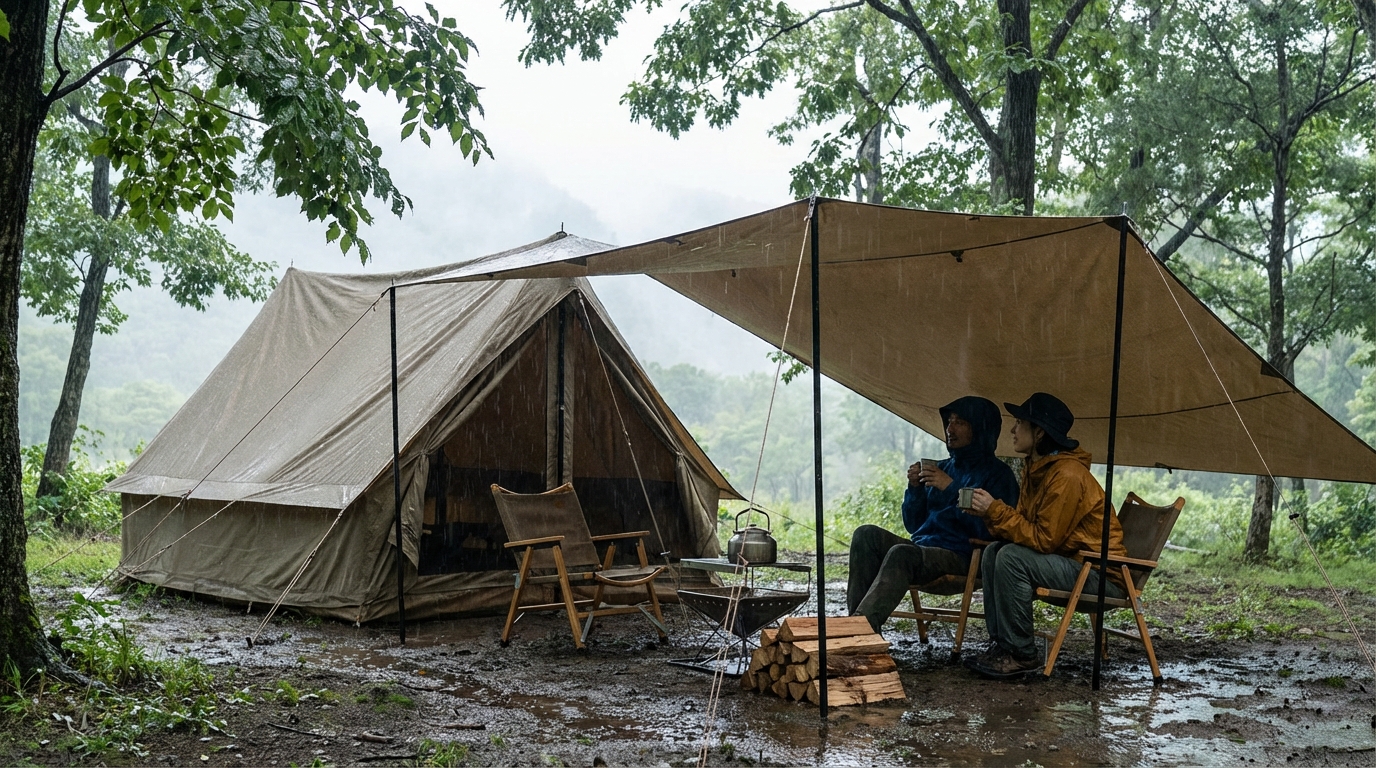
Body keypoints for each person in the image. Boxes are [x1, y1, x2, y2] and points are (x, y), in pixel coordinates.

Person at [964, 392, 1129, 679]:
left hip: (1100, 576)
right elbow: (1028, 528)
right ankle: (1002, 646)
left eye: (1019, 423)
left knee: (1012, 558)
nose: (1013, 430)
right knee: (994, 552)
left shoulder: (1066, 475)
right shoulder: (1037, 468)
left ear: (1039, 432)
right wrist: (990, 513)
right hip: (1072, 563)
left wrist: (995, 510)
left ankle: (1022, 654)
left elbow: (1043, 540)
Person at [847, 396, 1019, 633]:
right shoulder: (941, 467)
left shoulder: (999, 475)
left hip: (963, 555)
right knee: (866, 534)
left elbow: (989, 531)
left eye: (960, 422)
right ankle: (853, 627)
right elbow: (913, 524)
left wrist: (950, 488)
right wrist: (915, 489)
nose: (950, 429)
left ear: (979, 428)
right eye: (949, 421)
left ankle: (859, 631)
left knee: (902, 553)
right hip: (923, 550)